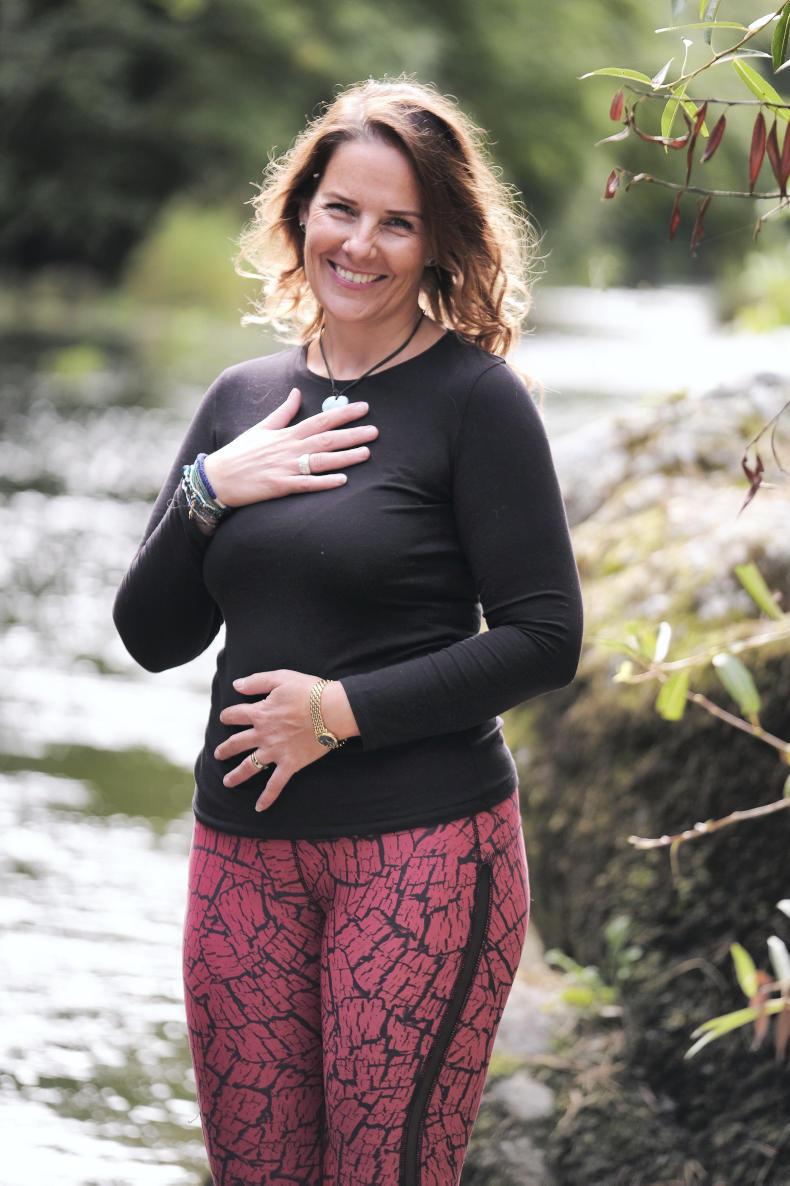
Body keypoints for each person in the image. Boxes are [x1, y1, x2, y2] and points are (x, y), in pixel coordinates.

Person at [112, 75, 583, 1186]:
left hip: (422, 852)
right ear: (300, 212)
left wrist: (337, 712)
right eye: (341, 208)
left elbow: (544, 636)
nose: (360, 244)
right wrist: (209, 490)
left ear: (438, 241)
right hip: (240, 855)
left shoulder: (476, 401)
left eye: (396, 222)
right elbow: (150, 636)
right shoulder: (240, 401)